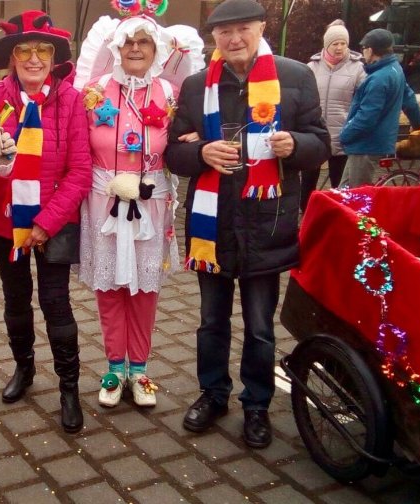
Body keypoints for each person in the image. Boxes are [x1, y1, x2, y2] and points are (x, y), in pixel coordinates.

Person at [164, 0, 329, 449]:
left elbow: (320, 142)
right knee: (210, 322)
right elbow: (173, 155)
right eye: (225, 32)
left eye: (243, 29)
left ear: (261, 28)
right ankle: (213, 394)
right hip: (213, 224)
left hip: (266, 224)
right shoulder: (197, 86)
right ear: (214, 38)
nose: (234, 39)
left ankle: (256, 404)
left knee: (259, 326)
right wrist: (201, 153)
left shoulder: (295, 76)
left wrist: (295, 145)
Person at [74, 1, 204, 408]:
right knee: (110, 288)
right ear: (116, 47)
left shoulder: (170, 94)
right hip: (103, 202)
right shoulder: (94, 92)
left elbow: (185, 139)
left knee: (145, 291)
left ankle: (140, 369)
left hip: (151, 204)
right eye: (128, 41)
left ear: (156, 49)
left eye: (144, 42)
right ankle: (115, 367)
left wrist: (195, 139)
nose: (135, 48)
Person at [0, 10, 92, 433]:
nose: (35, 58)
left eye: (43, 50)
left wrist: (47, 222)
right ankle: (24, 369)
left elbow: (80, 170)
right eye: (24, 50)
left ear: (54, 57)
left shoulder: (71, 100)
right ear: (12, 57)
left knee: (56, 302)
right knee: (16, 299)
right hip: (4, 221)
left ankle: (69, 388)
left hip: (54, 222)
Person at [339, 28, 420, 188]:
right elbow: (409, 100)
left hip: (366, 144)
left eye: (363, 48)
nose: (362, 52)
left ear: (371, 50)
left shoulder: (378, 79)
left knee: (357, 195)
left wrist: (344, 136)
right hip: (374, 143)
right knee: (344, 192)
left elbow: (366, 117)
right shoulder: (395, 69)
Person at [300, 19, 365, 210]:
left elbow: (363, 101)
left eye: (343, 43)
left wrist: (352, 127)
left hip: (342, 135)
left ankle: (337, 217)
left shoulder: (358, 69)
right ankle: (307, 215)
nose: (340, 48)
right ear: (327, 44)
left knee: (339, 185)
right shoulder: (311, 67)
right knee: (308, 182)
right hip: (315, 135)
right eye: (335, 43)